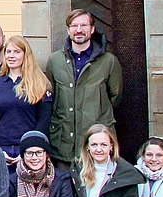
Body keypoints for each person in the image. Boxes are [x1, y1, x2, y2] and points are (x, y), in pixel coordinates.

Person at [46, 9, 124, 167]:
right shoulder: (55, 61)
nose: (79, 30)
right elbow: (51, 96)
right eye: (74, 26)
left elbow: (115, 97)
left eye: (84, 25)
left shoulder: (108, 61)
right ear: (68, 30)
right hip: (63, 145)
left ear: (92, 29)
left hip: (96, 145)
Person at [0, 35, 53, 172]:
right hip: (2, 150)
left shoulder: (40, 83)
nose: (11, 56)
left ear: (26, 55)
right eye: (8, 51)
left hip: (30, 152)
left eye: (17, 52)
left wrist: (30, 150)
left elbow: (44, 120)